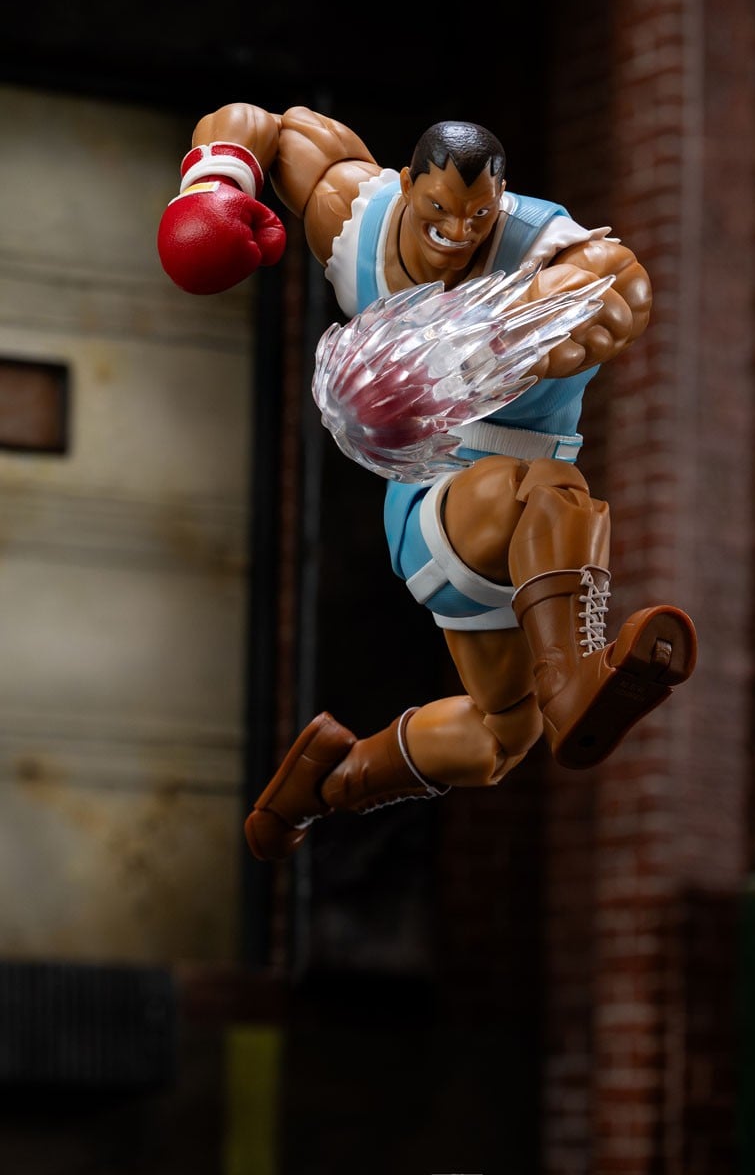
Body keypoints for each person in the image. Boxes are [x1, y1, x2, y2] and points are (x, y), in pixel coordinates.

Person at [158, 106, 698, 860]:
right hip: (437, 504)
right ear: (409, 185)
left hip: (530, 551)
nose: (456, 232)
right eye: (438, 210)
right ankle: (575, 676)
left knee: (500, 738)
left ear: (499, 205)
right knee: (549, 489)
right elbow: (265, 126)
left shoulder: (543, 248)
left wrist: (519, 331)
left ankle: (325, 784)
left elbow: (617, 289)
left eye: (477, 217)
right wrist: (216, 184)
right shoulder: (355, 220)